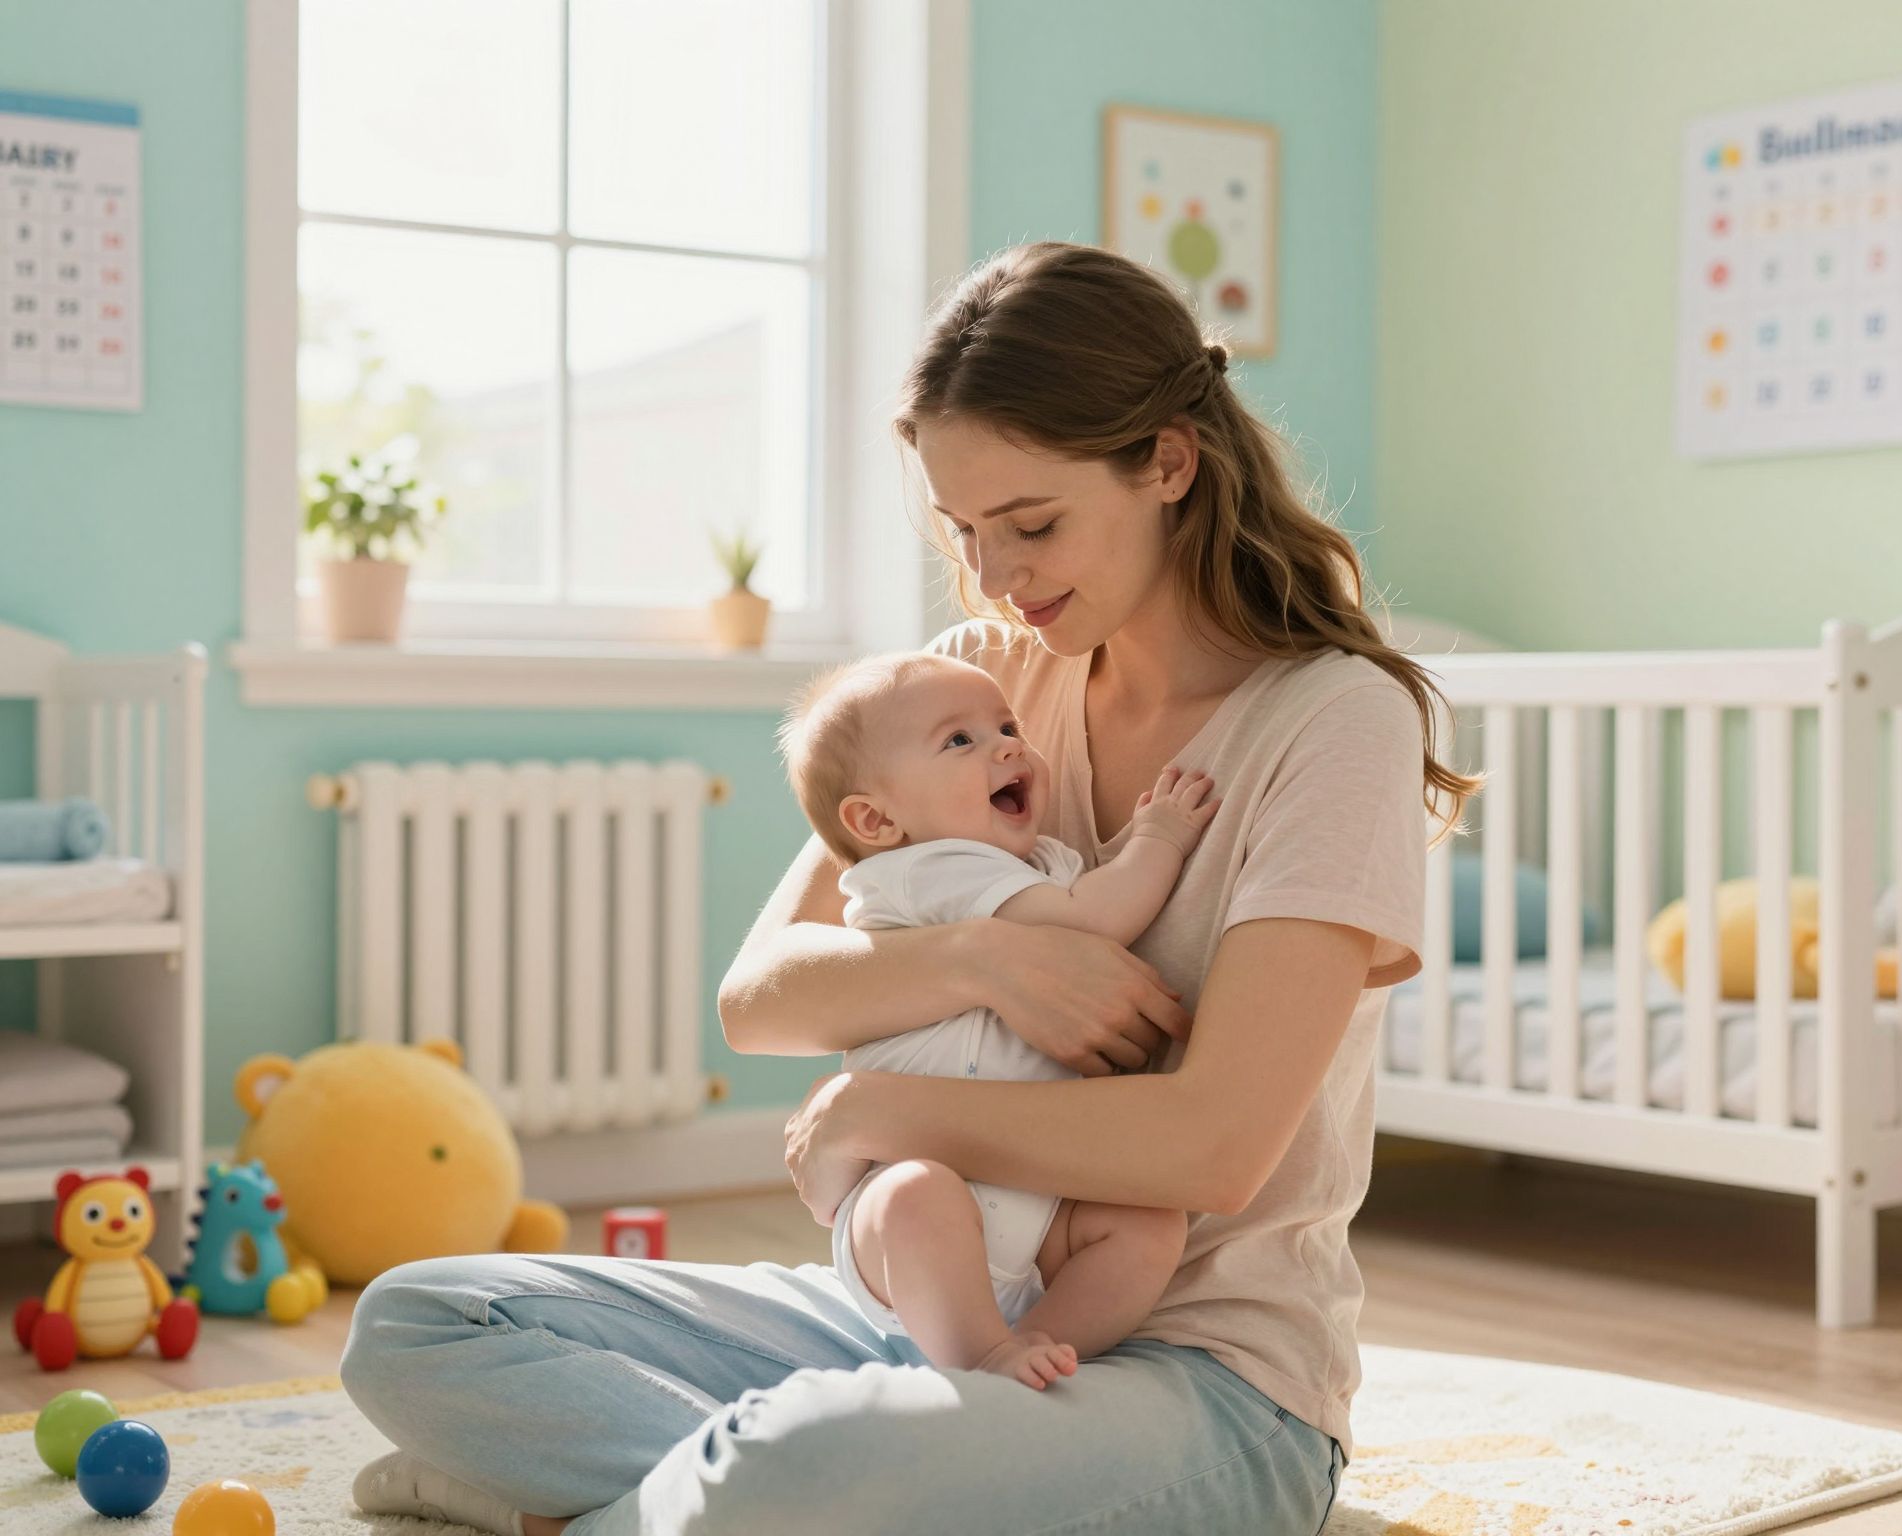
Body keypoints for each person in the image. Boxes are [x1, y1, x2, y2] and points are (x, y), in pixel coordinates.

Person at [340, 239, 1476, 1536]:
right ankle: (704, 1501)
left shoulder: (1335, 721)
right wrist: (990, 961)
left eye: (1032, 525)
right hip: (924, 1315)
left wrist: (881, 1105)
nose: (996, 576)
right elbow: (761, 996)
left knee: (799, 1466)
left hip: (1205, 1384)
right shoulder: (982, 685)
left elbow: (1213, 1148)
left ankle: (615, 1501)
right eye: (964, 530)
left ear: (1168, 462)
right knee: (420, 1323)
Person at [777, 648, 1218, 1388]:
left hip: (1034, 1214)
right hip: (905, 1224)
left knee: (1147, 1227)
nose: (1007, 745)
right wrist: (1162, 837)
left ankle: (1038, 1345)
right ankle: (985, 1355)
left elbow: (1073, 904)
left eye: (1006, 725)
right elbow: (1095, 919)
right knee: (921, 1194)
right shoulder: (926, 868)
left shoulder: (1040, 865)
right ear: (877, 820)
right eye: (961, 741)